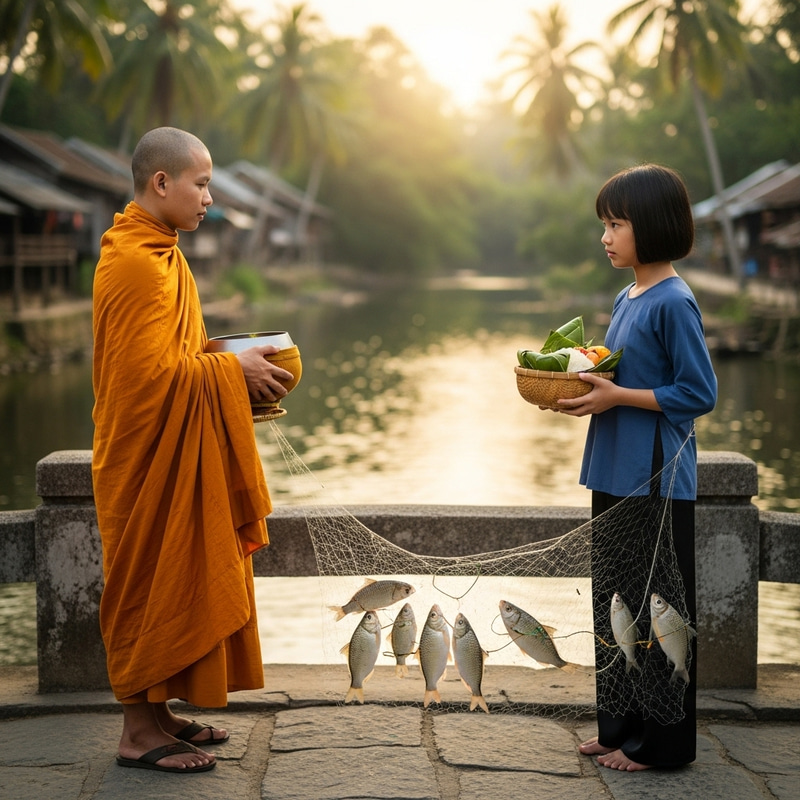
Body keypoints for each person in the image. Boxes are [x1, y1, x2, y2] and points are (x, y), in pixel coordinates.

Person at [92, 127, 293, 773]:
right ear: (162, 184)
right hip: (142, 458)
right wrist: (231, 376)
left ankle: (159, 714)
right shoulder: (132, 262)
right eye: (201, 184)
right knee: (145, 582)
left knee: (171, 578)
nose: (209, 197)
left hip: (169, 447)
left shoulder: (164, 253)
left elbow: (176, 357)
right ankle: (136, 734)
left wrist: (229, 360)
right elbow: (142, 382)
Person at [555, 164, 717, 771]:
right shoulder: (629, 295)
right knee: (615, 605)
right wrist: (592, 391)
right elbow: (625, 377)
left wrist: (617, 397)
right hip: (613, 470)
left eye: (617, 223)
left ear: (650, 225)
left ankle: (663, 746)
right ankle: (620, 727)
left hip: (655, 477)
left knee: (659, 610)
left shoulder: (674, 301)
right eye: (605, 223)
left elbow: (698, 393)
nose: (607, 235)